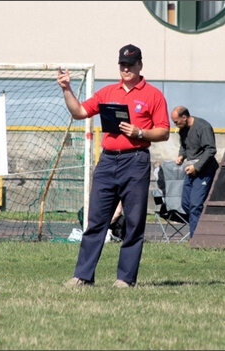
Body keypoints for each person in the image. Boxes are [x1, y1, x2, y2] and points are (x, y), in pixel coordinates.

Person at [58, 44, 170, 287]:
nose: (126, 69)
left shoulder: (153, 95)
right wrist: (67, 89)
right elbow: (79, 112)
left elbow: (164, 132)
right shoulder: (107, 92)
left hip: (136, 160)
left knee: (133, 221)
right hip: (108, 160)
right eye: (122, 65)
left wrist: (139, 132)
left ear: (140, 65)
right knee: (96, 220)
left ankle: (125, 279)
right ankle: (83, 276)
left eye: (130, 64)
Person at [171, 106, 219, 239]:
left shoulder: (203, 127)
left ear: (184, 117)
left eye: (176, 121)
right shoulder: (183, 130)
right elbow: (184, 146)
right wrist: (181, 155)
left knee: (195, 205)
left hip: (204, 170)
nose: (175, 124)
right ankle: (204, 228)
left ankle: (196, 239)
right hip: (190, 170)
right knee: (186, 203)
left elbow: (210, 150)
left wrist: (197, 167)